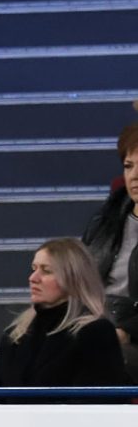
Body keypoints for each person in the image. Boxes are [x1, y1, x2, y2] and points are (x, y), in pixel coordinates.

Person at [0, 239, 128, 397]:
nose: (33, 278)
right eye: (34, 269)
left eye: (46, 271)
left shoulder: (95, 332)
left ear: (73, 278)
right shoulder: (14, 336)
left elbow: (101, 402)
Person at [81, 121, 138, 380]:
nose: (134, 175)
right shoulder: (105, 222)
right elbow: (77, 280)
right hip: (97, 323)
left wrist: (128, 330)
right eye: (128, 166)